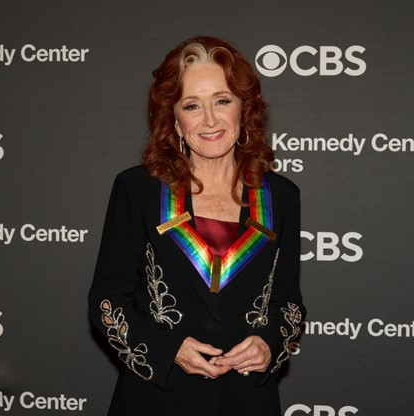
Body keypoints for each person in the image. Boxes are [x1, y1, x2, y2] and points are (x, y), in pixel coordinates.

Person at [88, 36, 306, 416]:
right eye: (192, 105)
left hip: (247, 400)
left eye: (222, 101)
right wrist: (168, 349)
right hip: (156, 398)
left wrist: (268, 343)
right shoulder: (138, 189)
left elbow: (287, 302)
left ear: (244, 108)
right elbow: (107, 300)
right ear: (174, 119)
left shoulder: (281, 196)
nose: (209, 120)